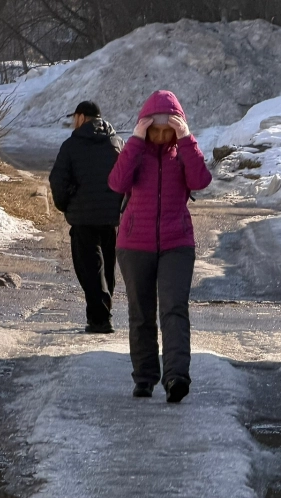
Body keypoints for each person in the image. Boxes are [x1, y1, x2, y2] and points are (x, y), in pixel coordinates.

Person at [108, 90, 212, 403]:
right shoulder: (134, 151)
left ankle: (176, 377)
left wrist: (186, 139)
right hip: (134, 245)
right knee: (141, 313)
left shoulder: (183, 152)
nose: (163, 136)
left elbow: (200, 180)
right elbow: (116, 183)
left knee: (174, 310)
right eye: (157, 130)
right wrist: (137, 141)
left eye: (169, 130)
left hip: (176, 243)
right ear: (146, 126)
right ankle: (144, 377)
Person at [49, 100, 124, 334]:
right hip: (111, 216)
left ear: (81, 118)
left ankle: (100, 318)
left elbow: (57, 180)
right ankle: (102, 313)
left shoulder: (72, 145)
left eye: (75, 118)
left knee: (90, 268)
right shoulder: (117, 142)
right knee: (108, 266)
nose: (74, 122)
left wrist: (65, 204)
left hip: (83, 217)